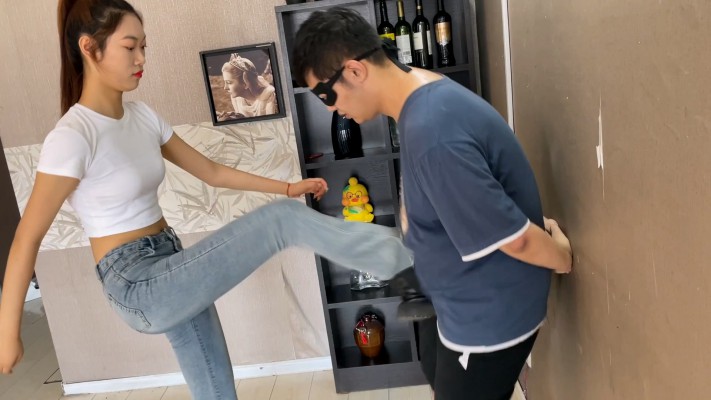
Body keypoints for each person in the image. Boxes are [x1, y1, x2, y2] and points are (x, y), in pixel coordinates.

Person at [0, 2, 414, 399]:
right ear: (89, 48)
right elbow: (27, 238)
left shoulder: (142, 117)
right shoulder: (73, 136)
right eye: (129, 47)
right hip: (137, 285)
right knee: (282, 222)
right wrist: (8, 331)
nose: (141, 58)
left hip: (169, 261)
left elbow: (210, 172)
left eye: (144, 46)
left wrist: (287, 188)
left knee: (213, 383)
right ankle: (411, 264)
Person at [292, 8, 573, 400]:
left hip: (485, 320)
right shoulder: (418, 94)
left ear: (355, 71)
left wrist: (562, 257)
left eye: (325, 94)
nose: (328, 108)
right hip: (451, 301)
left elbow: (517, 239)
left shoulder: (432, 131)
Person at [221, 53, 278, 118]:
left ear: (245, 83)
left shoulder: (268, 98)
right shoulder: (236, 98)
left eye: (229, 82)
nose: (225, 88)